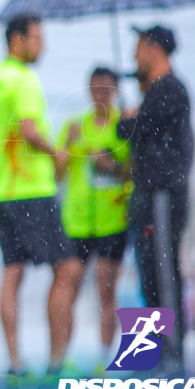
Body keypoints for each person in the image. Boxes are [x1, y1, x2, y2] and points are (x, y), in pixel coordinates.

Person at [0, 14, 81, 382]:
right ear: (18, 40)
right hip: (32, 190)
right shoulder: (24, 78)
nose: (42, 45)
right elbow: (30, 130)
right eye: (37, 38)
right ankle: (56, 361)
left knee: (12, 272)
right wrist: (56, 153)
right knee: (68, 268)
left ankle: (15, 362)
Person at [116, 24, 193, 372]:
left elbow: (131, 129)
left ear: (154, 49)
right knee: (149, 272)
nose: (135, 55)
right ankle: (149, 352)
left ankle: (172, 353)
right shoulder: (155, 92)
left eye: (139, 47)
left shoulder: (169, 90)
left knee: (163, 272)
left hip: (163, 195)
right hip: (148, 194)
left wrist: (128, 120)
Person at [57, 66, 132, 373]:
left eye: (106, 88)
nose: (100, 93)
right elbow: (56, 173)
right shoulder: (74, 126)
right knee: (68, 287)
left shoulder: (125, 126)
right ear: (88, 90)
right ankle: (62, 357)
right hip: (76, 221)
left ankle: (104, 357)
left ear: (115, 91)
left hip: (113, 219)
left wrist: (110, 165)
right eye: (95, 87)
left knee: (106, 289)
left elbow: (135, 171)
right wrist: (64, 147)